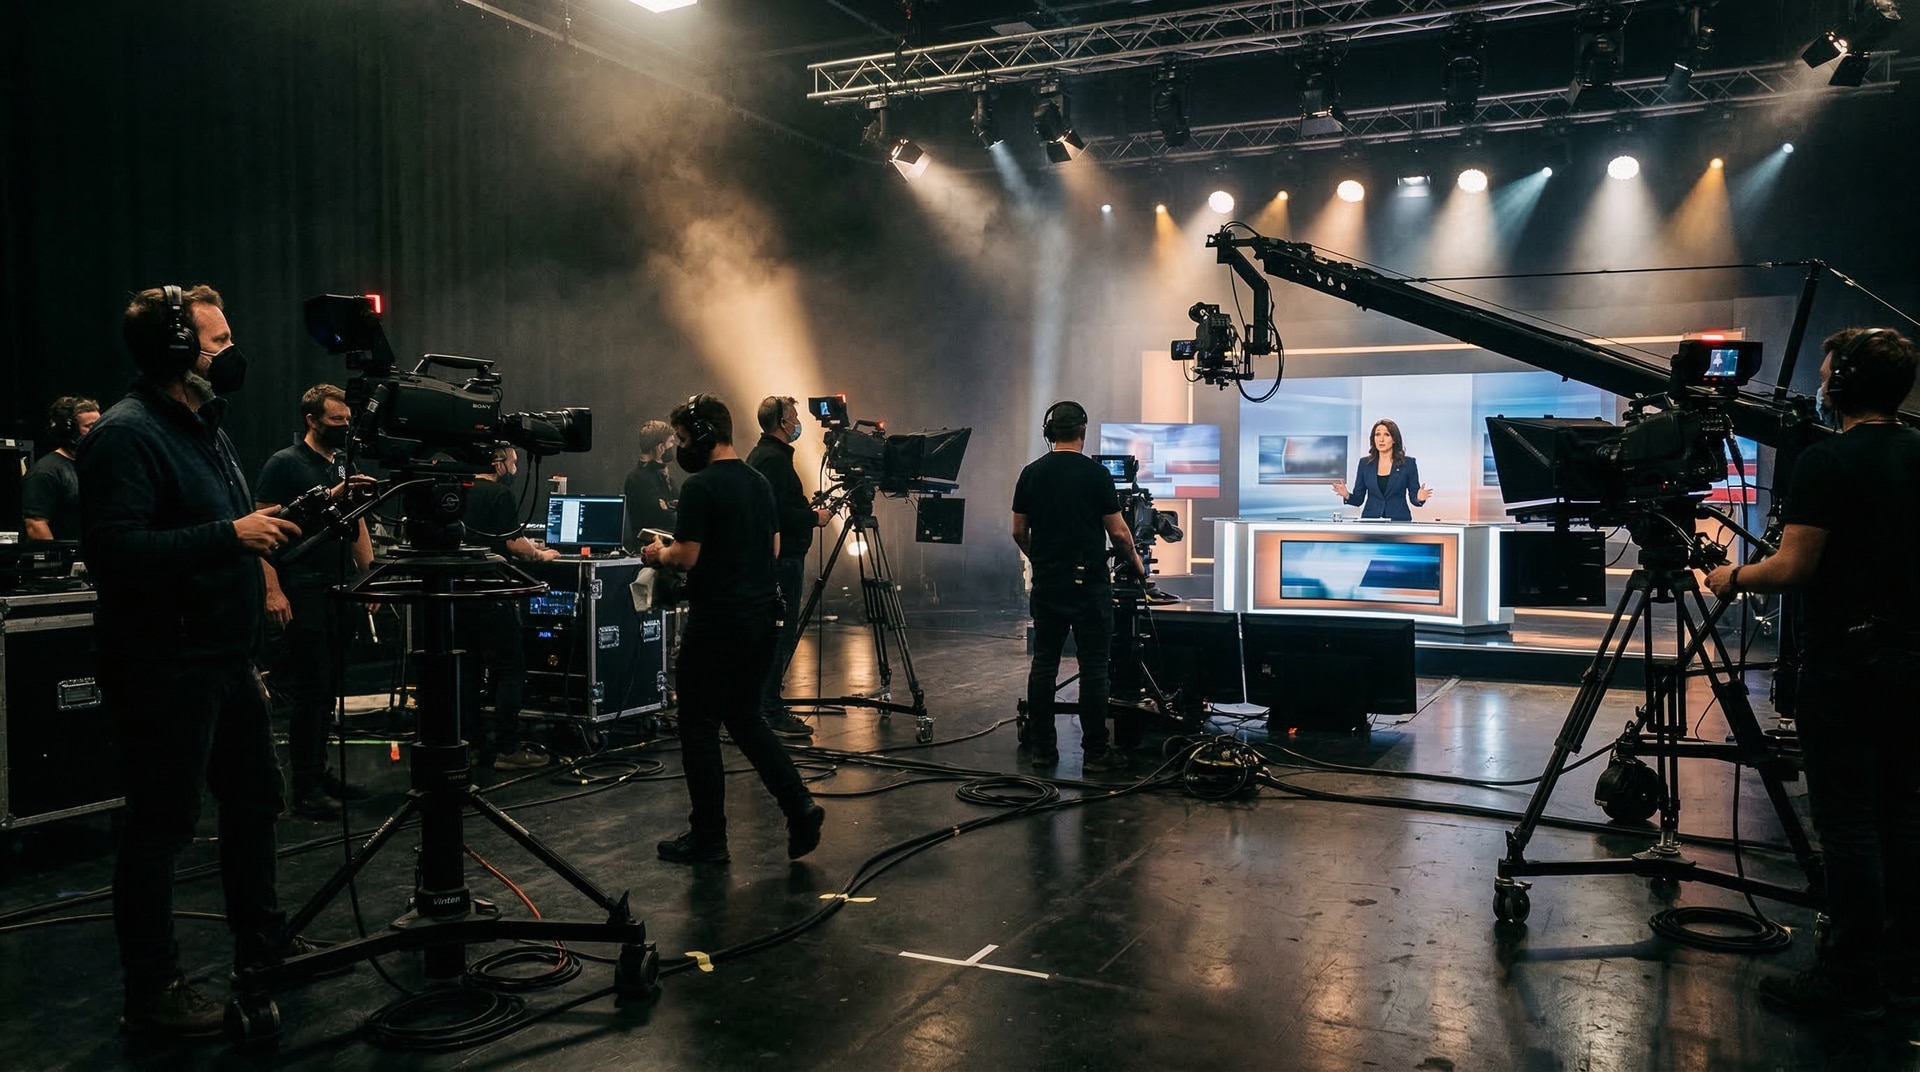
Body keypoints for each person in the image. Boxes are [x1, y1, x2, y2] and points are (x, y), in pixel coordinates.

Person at [79, 283, 303, 1037]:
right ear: (176, 351)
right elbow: (113, 552)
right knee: (162, 827)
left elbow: (235, 527)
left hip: (224, 658)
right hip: (164, 666)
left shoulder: (205, 425)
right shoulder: (126, 434)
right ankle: (154, 991)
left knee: (254, 805)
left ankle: (262, 945)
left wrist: (320, 509)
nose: (230, 352)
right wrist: (228, 537)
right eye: (215, 341)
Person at [1706, 327, 1920, 1021]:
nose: (1819, 385)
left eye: (1827, 374)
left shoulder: (1827, 462)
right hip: (1910, 663)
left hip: (1849, 667)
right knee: (1901, 813)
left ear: (1845, 383)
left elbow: (1795, 568)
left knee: (1849, 822)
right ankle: (1901, 964)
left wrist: (1730, 575)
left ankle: (1850, 977)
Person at [640, 394, 824, 863]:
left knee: (698, 727)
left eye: (682, 437)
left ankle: (709, 837)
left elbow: (685, 556)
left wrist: (658, 554)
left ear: (702, 435)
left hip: (716, 622)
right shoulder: (760, 482)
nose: (680, 446)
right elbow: (776, 544)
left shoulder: (701, 487)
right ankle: (799, 805)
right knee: (745, 719)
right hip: (759, 622)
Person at [255, 384, 375, 819]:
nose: (344, 427)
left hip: (339, 587)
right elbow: (262, 533)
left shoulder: (344, 462)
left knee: (329, 691)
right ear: (312, 419)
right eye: (337, 420)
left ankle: (320, 773)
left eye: (348, 419)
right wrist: (272, 588)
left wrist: (368, 576)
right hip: (301, 586)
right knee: (312, 689)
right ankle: (305, 786)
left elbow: (357, 522)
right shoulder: (283, 465)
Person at [1012, 401, 1148, 774]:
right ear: (1082, 433)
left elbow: (1017, 531)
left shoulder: (1030, 473)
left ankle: (1043, 751)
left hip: (1049, 584)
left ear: (1049, 433)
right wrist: (1137, 567)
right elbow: (1119, 533)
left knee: (1044, 665)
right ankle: (1095, 753)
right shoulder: (1096, 475)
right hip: (1089, 586)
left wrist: (1039, 558)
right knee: (1093, 669)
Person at [463, 443, 560, 770]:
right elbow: (513, 544)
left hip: (460, 595)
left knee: (470, 672)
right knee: (510, 670)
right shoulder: (498, 495)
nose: (516, 469)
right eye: (514, 462)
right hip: (492, 594)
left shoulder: (459, 488)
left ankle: (472, 745)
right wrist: (540, 554)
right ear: (499, 463)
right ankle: (508, 747)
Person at [745, 395, 832, 739]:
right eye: (794, 418)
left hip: (773, 560)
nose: (797, 423)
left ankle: (761, 703)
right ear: (781, 423)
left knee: (770, 634)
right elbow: (777, 513)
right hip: (782, 563)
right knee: (779, 634)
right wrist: (814, 517)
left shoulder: (763, 456)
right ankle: (770, 708)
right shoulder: (774, 460)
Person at [20, 395, 100, 541]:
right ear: (69, 430)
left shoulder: (95, 467)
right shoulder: (46, 471)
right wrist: (62, 560)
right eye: (90, 426)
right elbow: (35, 526)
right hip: (67, 561)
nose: (98, 431)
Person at [1332, 418, 1432, 520]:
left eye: (1387, 435)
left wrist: (1419, 498)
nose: (1381, 439)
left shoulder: (1408, 464)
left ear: (1394, 439)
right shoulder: (1365, 464)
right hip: (1371, 521)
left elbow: (1413, 497)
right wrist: (1347, 495)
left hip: (1399, 521)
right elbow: (1359, 499)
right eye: (1377, 435)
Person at [621, 419, 677, 554]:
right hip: (651, 552)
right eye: (670, 442)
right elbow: (665, 518)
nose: (672, 446)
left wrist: (669, 506)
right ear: (660, 448)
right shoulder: (638, 479)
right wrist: (672, 508)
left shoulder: (663, 475)